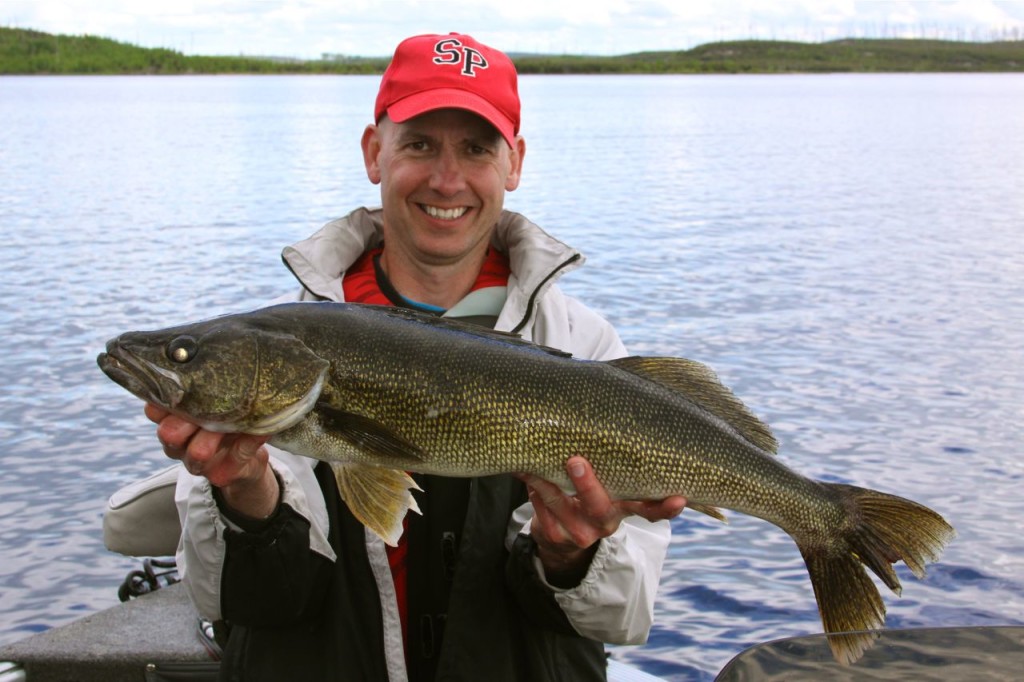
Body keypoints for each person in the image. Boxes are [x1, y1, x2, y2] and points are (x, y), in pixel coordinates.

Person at [147, 32, 686, 682]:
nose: (446, 178)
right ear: (375, 152)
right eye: (420, 144)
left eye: (477, 148)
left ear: (514, 162)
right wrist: (244, 495)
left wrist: (570, 553)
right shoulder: (285, 345)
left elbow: (621, 616)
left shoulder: (584, 345)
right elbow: (236, 599)